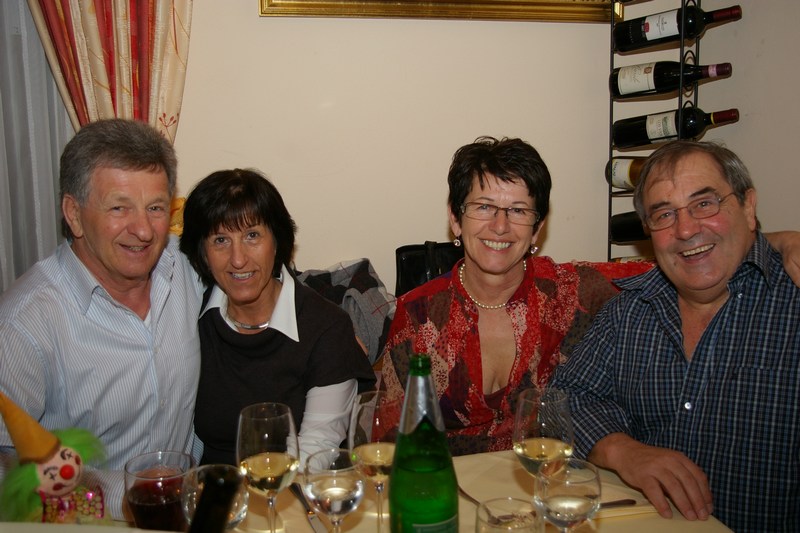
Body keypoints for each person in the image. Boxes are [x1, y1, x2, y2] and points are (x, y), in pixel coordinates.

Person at [550, 140, 800, 532]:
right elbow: (562, 401)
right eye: (664, 214)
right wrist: (622, 450)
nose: (685, 229)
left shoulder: (792, 304)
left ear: (748, 207)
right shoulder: (628, 312)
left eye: (704, 203)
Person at [380, 137, 652, 455]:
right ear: (455, 218)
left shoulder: (574, 293)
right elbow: (390, 444)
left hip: (548, 478)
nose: (500, 226)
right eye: (484, 207)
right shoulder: (419, 314)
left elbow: (671, 273)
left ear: (537, 228)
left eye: (518, 210)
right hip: (447, 482)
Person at [0, 118, 204, 520]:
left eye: (155, 208)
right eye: (119, 207)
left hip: (190, 510)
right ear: (73, 214)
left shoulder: (185, 267)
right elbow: (7, 465)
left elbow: (260, 276)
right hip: (86, 522)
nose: (143, 230)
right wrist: (121, 495)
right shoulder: (23, 325)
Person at [179, 168, 376, 466]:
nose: (238, 259)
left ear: (277, 241)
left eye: (252, 235)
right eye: (220, 240)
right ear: (203, 253)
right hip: (211, 489)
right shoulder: (190, 316)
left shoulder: (326, 328)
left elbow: (315, 452)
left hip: (293, 486)